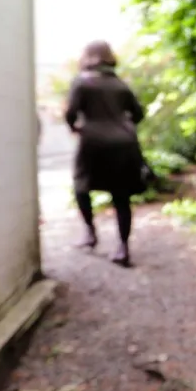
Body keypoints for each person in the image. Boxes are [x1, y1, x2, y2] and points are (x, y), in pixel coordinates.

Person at [64, 40, 144, 267]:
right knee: (121, 196)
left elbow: (71, 113)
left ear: (87, 57)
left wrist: (76, 128)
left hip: (92, 142)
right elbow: (138, 114)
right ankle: (122, 247)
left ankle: (90, 232)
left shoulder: (82, 82)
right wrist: (123, 125)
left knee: (81, 186)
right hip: (123, 144)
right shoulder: (121, 84)